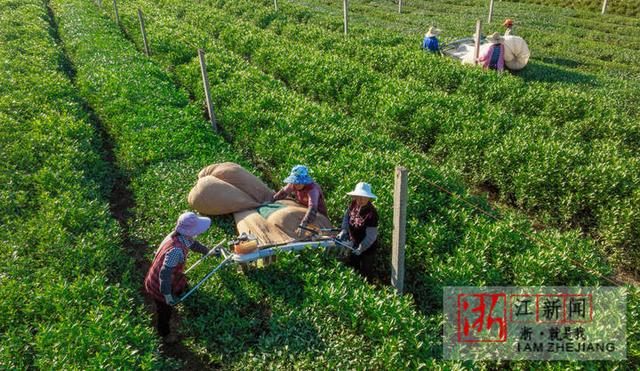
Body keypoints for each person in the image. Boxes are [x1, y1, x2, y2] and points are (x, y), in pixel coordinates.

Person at [144, 211, 217, 343]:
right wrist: (166, 295)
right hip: (159, 286)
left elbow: (193, 245)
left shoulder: (179, 236)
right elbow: (165, 274)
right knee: (164, 311)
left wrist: (208, 251)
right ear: (189, 232)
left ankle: (178, 290)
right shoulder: (176, 250)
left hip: (169, 277)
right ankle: (164, 334)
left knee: (178, 283)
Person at [337, 182, 379, 282]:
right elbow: (346, 216)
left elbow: (371, 236)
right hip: (353, 243)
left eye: (363, 197)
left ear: (368, 198)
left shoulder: (372, 214)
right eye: (358, 197)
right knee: (353, 269)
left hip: (367, 248)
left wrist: (361, 248)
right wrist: (344, 230)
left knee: (366, 272)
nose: (360, 200)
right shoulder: (353, 204)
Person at [273, 165, 327, 233]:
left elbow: (313, 207)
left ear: (304, 181)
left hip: (317, 213)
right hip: (303, 208)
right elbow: (283, 193)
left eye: (299, 182)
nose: (296, 184)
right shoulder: (293, 184)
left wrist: (304, 223)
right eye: (295, 182)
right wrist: (273, 199)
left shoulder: (312, 189)